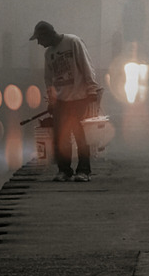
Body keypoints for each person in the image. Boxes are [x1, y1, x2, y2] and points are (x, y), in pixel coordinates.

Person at [29, 20, 101, 182]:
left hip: (79, 97)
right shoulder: (49, 54)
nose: (39, 43)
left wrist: (91, 89)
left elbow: (86, 66)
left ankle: (83, 171)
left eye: (40, 39)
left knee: (80, 134)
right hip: (61, 99)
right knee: (61, 136)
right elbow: (49, 79)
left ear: (48, 35)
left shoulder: (73, 42)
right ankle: (64, 170)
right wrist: (51, 100)